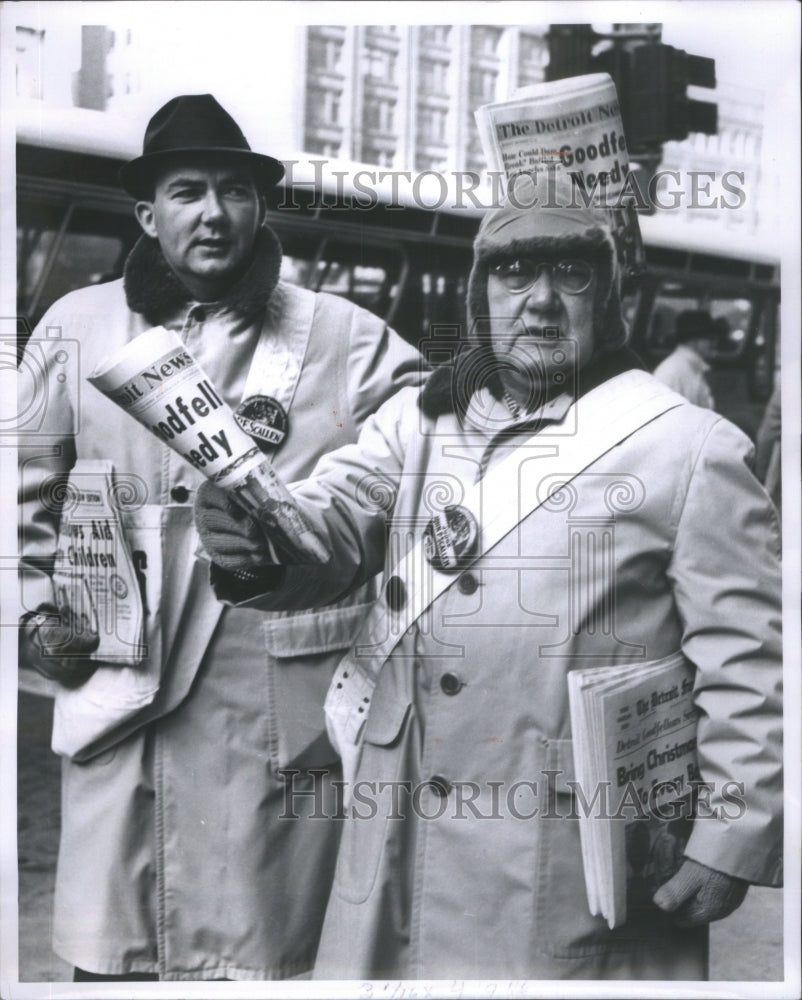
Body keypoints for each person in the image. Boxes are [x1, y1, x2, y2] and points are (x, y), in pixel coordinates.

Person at [195, 192, 783, 980]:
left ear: (604, 298)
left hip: (566, 857)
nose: (539, 300)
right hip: (400, 827)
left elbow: (751, 662)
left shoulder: (690, 447)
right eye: (512, 274)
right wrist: (255, 533)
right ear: (482, 298)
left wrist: (730, 835)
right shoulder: (419, 421)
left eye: (569, 274)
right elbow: (332, 521)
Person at [18, 93, 424, 981]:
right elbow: (21, 493)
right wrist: (32, 612)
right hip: (118, 705)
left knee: (257, 966)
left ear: (260, 206)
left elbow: (424, 456)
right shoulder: (74, 328)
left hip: (268, 721)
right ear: (147, 214)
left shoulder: (344, 335)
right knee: (113, 958)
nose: (214, 213)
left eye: (236, 191)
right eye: (189, 191)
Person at [652, 308, 716, 408]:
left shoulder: (685, 367)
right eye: (709, 338)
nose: (713, 343)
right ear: (693, 340)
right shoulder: (677, 371)